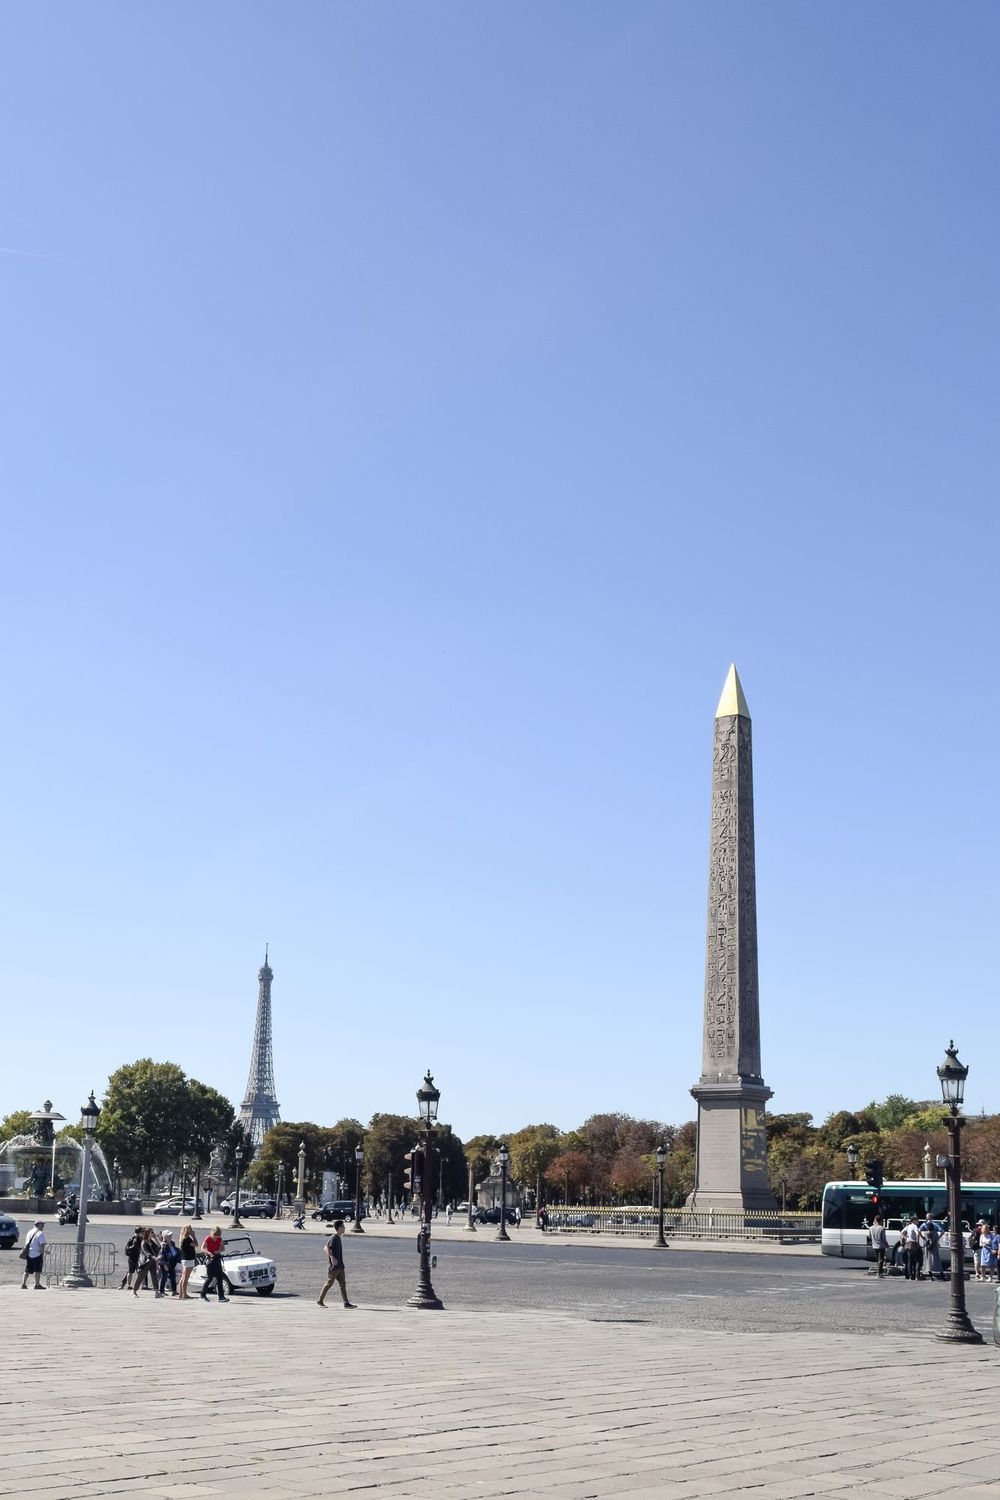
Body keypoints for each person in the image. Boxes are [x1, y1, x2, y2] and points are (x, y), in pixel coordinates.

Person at [318, 1219, 356, 1308]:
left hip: (340, 1266)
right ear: (339, 1228)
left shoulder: (338, 1237)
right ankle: (320, 1300)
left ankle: (346, 1303)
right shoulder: (334, 1237)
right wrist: (332, 1258)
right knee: (329, 1283)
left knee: (342, 1284)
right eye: (343, 1227)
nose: (344, 1228)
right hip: (334, 1267)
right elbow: (326, 1248)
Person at [200, 1226, 228, 1301]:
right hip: (210, 1259)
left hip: (217, 1258)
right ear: (212, 1234)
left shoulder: (219, 1239)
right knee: (210, 1278)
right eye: (215, 1236)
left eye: (218, 1236)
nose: (216, 1238)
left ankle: (221, 1297)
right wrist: (209, 1252)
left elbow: (223, 1248)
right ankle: (202, 1295)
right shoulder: (208, 1238)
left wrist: (218, 1251)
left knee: (219, 1278)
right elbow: (202, 1248)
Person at [132, 1228, 161, 1294]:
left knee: (154, 1276)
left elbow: (158, 1247)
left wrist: (156, 1238)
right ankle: (134, 1291)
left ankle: (156, 1292)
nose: (153, 1234)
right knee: (141, 1276)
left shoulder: (152, 1241)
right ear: (147, 1233)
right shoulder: (143, 1242)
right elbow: (147, 1253)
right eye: (152, 1232)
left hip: (152, 1261)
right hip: (145, 1262)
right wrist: (154, 1258)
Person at [20, 1220, 46, 1289]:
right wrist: (43, 1254)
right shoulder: (40, 1233)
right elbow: (41, 1245)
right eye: (42, 1225)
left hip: (29, 1253)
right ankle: (37, 1285)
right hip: (37, 1254)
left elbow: (26, 1243)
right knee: (37, 1271)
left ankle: (23, 1284)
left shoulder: (30, 1232)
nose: (43, 1226)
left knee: (27, 1270)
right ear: (38, 1225)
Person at [177, 1223, 199, 1300]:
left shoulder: (182, 1238)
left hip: (185, 1259)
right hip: (189, 1259)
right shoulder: (187, 1239)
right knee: (186, 1278)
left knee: (183, 1277)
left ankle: (180, 1293)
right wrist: (194, 1236)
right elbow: (196, 1244)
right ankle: (184, 1293)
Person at [157, 1230, 181, 1297]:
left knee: (173, 1277)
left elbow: (174, 1251)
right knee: (164, 1277)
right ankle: (161, 1291)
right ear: (165, 1236)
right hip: (165, 1263)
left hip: (172, 1262)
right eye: (169, 1235)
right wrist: (164, 1264)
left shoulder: (172, 1243)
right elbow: (161, 1256)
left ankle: (174, 1291)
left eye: (170, 1235)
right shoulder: (163, 1244)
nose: (170, 1236)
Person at [920, 1216, 944, 1282]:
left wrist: (923, 1238)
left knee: (928, 1262)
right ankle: (941, 1274)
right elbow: (942, 1231)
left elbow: (919, 1231)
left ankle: (930, 1277)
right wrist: (938, 1237)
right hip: (935, 1248)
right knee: (937, 1261)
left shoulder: (925, 1233)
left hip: (928, 1249)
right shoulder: (935, 1233)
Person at [902, 1216, 922, 1280]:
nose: (918, 1221)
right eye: (917, 1220)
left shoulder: (908, 1226)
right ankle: (917, 1276)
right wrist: (917, 1241)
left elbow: (902, 1233)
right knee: (917, 1261)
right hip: (914, 1244)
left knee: (909, 1261)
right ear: (914, 1220)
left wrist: (907, 1238)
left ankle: (910, 1276)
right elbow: (917, 1233)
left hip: (908, 1244)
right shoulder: (915, 1226)